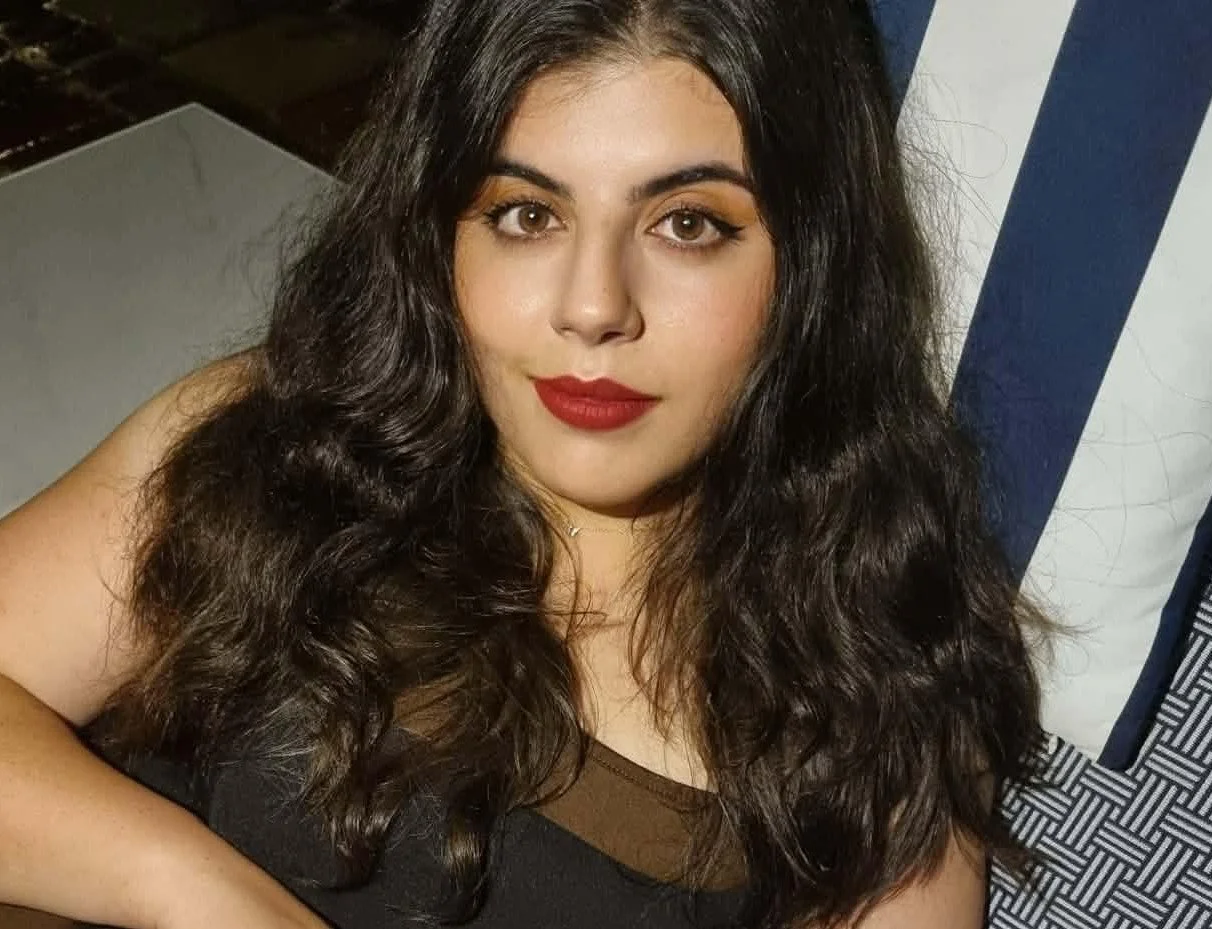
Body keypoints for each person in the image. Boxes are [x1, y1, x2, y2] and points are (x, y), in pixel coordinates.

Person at [0, 1, 1045, 927]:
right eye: (526, 213)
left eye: (688, 224)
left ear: (812, 264)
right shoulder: (281, 440)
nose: (593, 303)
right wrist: (194, 890)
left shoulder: (882, 677)